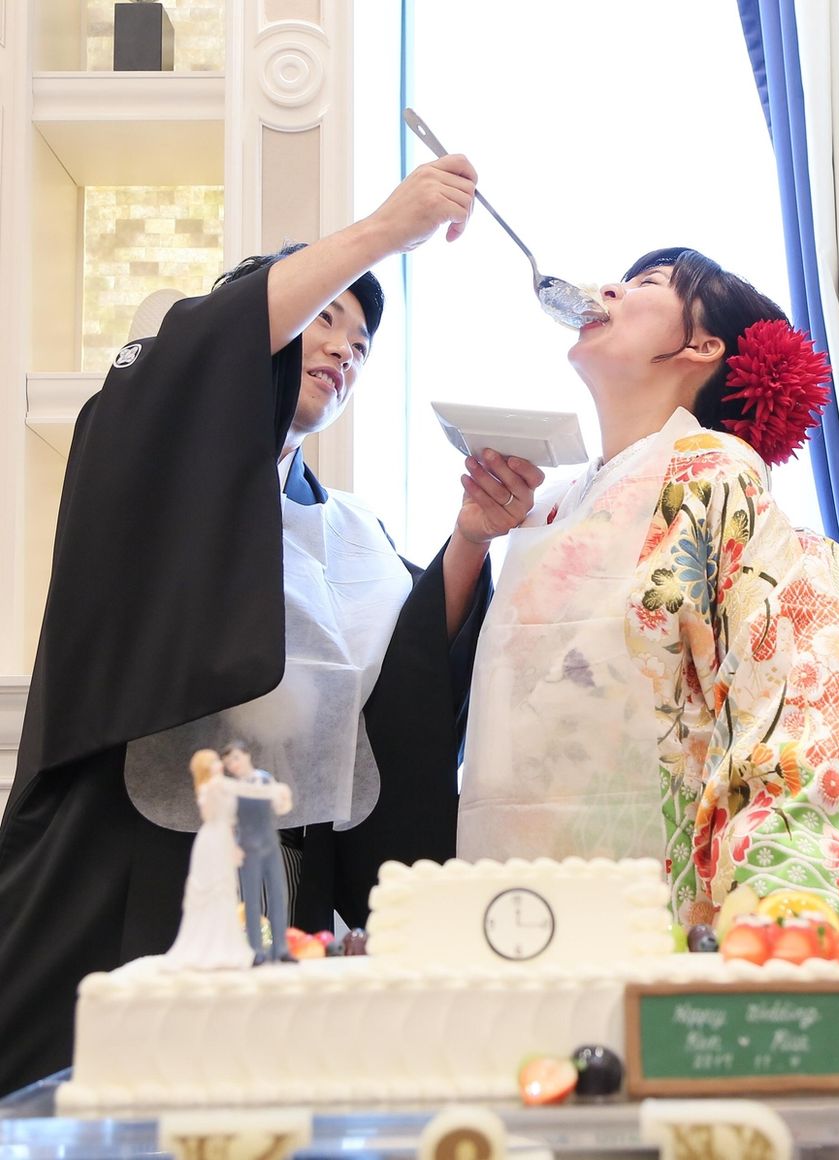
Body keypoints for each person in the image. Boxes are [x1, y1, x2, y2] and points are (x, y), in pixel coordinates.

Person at [0, 152, 544, 1095]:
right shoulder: (146, 434)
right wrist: (384, 232)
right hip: (125, 855)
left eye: (361, 344)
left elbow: (403, 690)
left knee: (254, 1111)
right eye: (323, 315)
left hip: (280, 878)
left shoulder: (349, 535)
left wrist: (468, 542)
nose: (343, 348)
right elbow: (195, 361)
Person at [459, 247, 839, 929]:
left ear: (702, 346)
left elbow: (797, 705)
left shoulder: (717, 480)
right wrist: (471, 540)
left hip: (659, 900)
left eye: (648, 283)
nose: (609, 288)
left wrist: (778, 906)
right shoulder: (552, 510)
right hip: (520, 895)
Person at [163, 749, 252, 971]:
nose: (218, 764)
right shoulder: (208, 789)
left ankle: (226, 941)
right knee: (212, 886)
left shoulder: (224, 785)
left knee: (226, 887)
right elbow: (210, 814)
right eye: (213, 762)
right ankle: (205, 944)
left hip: (225, 836)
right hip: (212, 838)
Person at [220, 741, 294, 965]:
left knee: (278, 894)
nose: (233, 765)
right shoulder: (232, 790)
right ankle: (255, 950)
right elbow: (229, 821)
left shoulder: (265, 778)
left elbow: (282, 808)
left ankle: (280, 947)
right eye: (228, 763)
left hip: (270, 843)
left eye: (235, 758)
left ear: (246, 756)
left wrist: (283, 797)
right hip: (248, 846)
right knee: (251, 900)